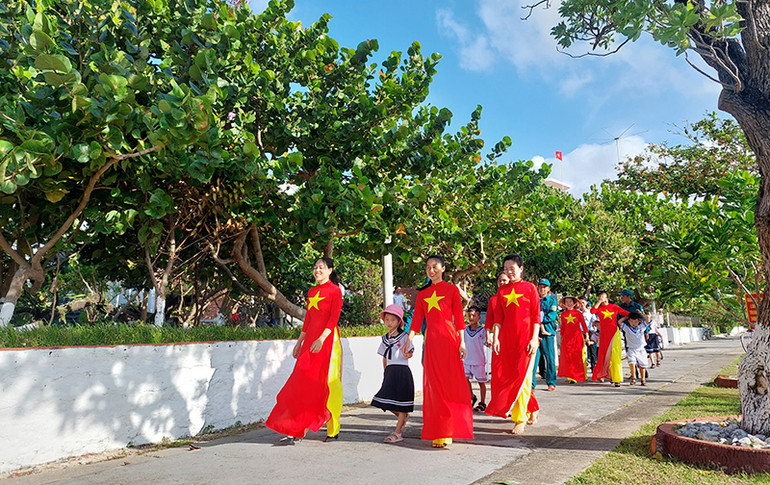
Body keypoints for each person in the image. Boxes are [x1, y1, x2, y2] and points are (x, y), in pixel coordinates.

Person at [265, 257, 344, 444]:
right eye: (315, 267)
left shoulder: (335, 291)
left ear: (330, 270)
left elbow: (333, 319)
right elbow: (308, 319)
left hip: (328, 342)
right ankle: (295, 428)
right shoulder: (312, 291)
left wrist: (322, 339)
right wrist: (299, 342)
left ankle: (333, 429)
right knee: (300, 382)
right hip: (310, 341)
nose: (317, 270)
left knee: (328, 384)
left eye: (321, 268)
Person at [404, 255, 473, 448]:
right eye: (428, 267)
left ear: (443, 268)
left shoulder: (452, 290)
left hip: (450, 341)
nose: (431, 270)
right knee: (434, 386)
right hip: (432, 343)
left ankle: (449, 428)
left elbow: (459, 318)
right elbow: (416, 320)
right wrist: (408, 341)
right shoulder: (423, 294)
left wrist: (462, 342)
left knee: (449, 384)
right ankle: (439, 431)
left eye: (435, 267)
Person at [486, 254, 541, 435]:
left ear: (521, 269)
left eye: (512, 268)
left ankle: (520, 418)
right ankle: (532, 407)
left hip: (525, 340)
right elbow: (498, 319)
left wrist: (534, 338)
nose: (509, 271)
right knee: (510, 377)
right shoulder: (502, 292)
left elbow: (536, 316)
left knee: (523, 377)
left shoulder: (530, 288)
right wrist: (496, 338)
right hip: (507, 341)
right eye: (506, 268)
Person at [371, 304, 415, 443]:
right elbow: (385, 357)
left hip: (402, 371)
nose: (389, 323)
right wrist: (385, 372)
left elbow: (410, 351)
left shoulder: (404, 337)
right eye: (387, 319)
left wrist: (408, 354)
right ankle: (403, 417)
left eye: (392, 320)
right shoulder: (384, 338)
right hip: (390, 371)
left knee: (402, 402)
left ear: (399, 321)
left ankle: (398, 433)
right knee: (382, 400)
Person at [590, 291, 630, 387]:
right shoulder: (599, 308)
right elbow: (592, 311)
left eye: (602, 296)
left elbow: (627, 314)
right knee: (605, 356)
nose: (601, 298)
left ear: (607, 297)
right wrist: (598, 302)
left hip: (614, 334)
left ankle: (617, 379)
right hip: (604, 335)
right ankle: (610, 375)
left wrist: (621, 320)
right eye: (599, 296)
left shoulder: (614, 307)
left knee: (615, 356)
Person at [557, 296, 589, 382]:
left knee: (579, 356)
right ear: (564, 304)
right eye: (566, 302)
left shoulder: (578, 314)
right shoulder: (563, 315)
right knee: (569, 357)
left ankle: (581, 375)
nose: (568, 303)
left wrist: (587, 336)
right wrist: (561, 338)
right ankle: (571, 377)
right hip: (567, 338)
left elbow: (584, 326)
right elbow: (562, 328)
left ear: (574, 303)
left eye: (570, 301)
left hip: (577, 337)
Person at [464, 305, 489, 412]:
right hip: (467, 360)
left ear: (479, 317)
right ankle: (471, 396)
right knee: (465, 380)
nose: (471, 318)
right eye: (469, 315)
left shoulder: (482, 331)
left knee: (481, 382)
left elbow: (486, 342)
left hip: (478, 361)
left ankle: (483, 402)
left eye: (474, 315)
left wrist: (490, 342)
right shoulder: (464, 330)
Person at [536, 278, 559, 391]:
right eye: (540, 286)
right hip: (535, 332)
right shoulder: (535, 300)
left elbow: (551, 316)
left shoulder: (552, 301)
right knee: (534, 359)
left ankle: (551, 382)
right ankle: (531, 385)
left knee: (550, 358)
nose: (542, 289)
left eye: (544, 287)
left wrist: (540, 321)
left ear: (548, 289)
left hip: (548, 332)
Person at [620, 312, 650, 385]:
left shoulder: (641, 327)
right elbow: (619, 322)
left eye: (636, 322)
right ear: (629, 321)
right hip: (631, 349)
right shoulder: (627, 328)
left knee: (642, 365)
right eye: (632, 321)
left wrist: (641, 314)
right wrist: (626, 317)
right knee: (632, 363)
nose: (634, 324)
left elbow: (647, 320)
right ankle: (633, 378)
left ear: (639, 321)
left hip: (640, 349)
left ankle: (643, 380)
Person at [578, 298, 599, 372]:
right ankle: (581, 368)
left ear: (586, 303)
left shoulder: (590, 312)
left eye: (583, 302)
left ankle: (593, 367)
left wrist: (595, 330)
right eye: (580, 302)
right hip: (580, 332)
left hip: (589, 331)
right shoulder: (577, 313)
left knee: (591, 350)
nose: (582, 304)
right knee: (580, 350)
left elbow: (594, 321)